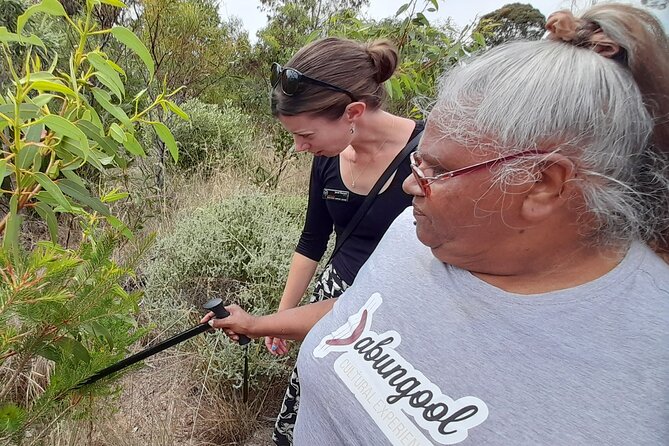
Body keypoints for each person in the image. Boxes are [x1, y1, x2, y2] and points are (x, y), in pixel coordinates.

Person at [205, 3, 669, 444]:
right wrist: (263, 323)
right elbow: (356, 312)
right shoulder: (414, 235)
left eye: (437, 170)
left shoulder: (644, 365)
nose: (409, 186)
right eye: (418, 164)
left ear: (542, 184)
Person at [267, 37, 424, 445]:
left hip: (392, 324)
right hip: (330, 309)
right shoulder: (328, 159)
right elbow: (312, 240)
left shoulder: (427, 159)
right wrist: (283, 318)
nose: (299, 148)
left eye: (304, 134)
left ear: (353, 112)